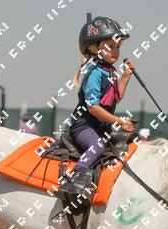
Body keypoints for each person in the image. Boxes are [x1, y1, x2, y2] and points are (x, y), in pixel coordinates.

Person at [56, 15, 135, 200]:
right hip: (83, 126)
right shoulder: (94, 73)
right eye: (110, 46)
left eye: (118, 47)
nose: (115, 51)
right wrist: (119, 121)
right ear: (93, 48)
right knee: (97, 146)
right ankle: (76, 177)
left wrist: (126, 76)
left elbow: (116, 97)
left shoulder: (111, 71)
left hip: (102, 127)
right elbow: (93, 108)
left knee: (131, 139)